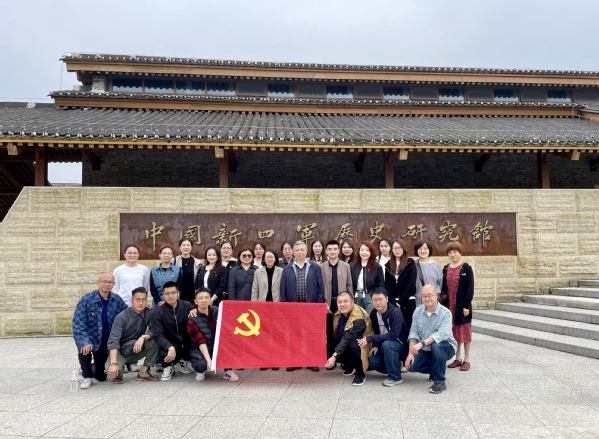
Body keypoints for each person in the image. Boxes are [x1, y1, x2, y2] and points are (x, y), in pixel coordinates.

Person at [72, 273, 128, 389]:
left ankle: (92, 368)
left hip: (104, 342)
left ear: (114, 284)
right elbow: (78, 323)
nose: (107, 284)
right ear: (98, 282)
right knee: (84, 349)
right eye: (104, 281)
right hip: (89, 338)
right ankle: (86, 375)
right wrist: (84, 341)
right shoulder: (87, 299)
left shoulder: (117, 300)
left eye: (110, 282)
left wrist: (143, 308)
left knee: (101, 376)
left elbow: (128, 313)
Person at [280, 241, 325, 372]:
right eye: (297, 250)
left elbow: (320, 287)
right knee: (294, 334)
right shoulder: (287, 268)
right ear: (293, 252)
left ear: (306, 252)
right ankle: (295, 361)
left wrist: (318, 306)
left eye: (302, 250)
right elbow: (283, 290)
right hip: (293, 306)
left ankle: (311, 361)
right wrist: (285, 307)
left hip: (310, 305)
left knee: (311, 334)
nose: (299, 252)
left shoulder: (314, 267)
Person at [405, 284, 457, 394]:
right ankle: (436, 369)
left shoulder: (445, 313)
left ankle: (440, 382)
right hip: (426, 349)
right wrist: (410, 354)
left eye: (429, 295)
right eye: (424, 296)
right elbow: (413, 333)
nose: (427, 298)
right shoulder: (418, 311)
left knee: (436, 346)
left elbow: (441, 335)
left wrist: (421, 343)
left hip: (446, 346)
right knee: (411, 366)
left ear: (436, 295)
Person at [106, 287, 159, 383]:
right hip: (121, 351)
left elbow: (154, 330)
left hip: (138, 347)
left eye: (143, 300)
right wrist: (113, 364)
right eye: (137, 300)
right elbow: (113, 341)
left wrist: (143, 337)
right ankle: (120, 369)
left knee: (156, 340)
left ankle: (144, 372)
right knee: (110, 370)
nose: (141, 303)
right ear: (131, 301)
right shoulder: (121, 317)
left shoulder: (149, 312)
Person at [358, 288, 409, 386]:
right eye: (374, 300)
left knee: (387, 344)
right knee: (373, 361)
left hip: (400, 345)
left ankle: (395, 377)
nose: (378, 302)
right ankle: (395, 366)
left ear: (386, 299)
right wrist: (376, 345)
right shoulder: (374, 313)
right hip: (384, 345)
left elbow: (393, 335)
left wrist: (370, 339)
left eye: (380, 299)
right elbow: (377, 331)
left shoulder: (395, 312)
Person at [113, 244, 149, 373]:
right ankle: (122, 361)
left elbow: (145, 288)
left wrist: (144, 302)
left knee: (137, 333)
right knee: (122, 334)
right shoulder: (118, 270)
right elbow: (115, 289)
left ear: (138, 254)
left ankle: (133, 362)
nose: (132, 255)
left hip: (138, 306)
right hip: (123, 306)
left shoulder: (143, 269)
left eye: (135, 253)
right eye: (129, 253)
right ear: (124, 254)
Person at [325, 291, 373, 386]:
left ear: (352, 302)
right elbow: (336, 320)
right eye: (339, 302)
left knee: (353, 344)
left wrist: (334, 357)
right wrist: (328, 313)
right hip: (346, 341)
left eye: (345, 301)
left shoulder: (359, 316)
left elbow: (348, 337)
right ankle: (350, 365)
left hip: (362, 344)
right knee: (328, 346)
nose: (342, 304)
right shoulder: (341, 312)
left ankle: (360, 374)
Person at [150, 281, 195, 380]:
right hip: (171, 344)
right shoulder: (159, 312)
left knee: (196, 352)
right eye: (167, 293)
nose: (170, 296)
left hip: (186, 343)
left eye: (173, 293)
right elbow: (158, 334)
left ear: (178, 293)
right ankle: (168, 366)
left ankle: (180, 360)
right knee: (164, 354)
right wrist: (169, 347)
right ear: (163, 295)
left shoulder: (187, 306)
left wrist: (195, 310)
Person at [442, 241, 474, 372]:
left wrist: (467, 306)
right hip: (450, 305)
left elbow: (470, 288)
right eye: (450, 252)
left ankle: (467, 360)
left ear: (460, 253)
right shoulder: (446, 268)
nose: (453, 254)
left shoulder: (466, 268)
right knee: (455, 332)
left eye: (455, 252)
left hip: (462, 306)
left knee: (465, 332)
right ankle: (458, 358)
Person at [320, 240, 353, 358]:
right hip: (328, 304)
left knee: (343, 331)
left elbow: (349, 285)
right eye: (330, 249)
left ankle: (344, 359)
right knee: (329, 332)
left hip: (343, 304)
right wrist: (323, 303)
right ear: (326, 251)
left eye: (335, 249)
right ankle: (330, 358)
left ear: (339, 250)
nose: (332, 251)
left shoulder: (346, 266)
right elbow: (320, 286)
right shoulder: (321, 267)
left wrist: (350, 303)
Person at [188, 287, 226, 381]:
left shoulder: (217, 311)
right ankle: (200, 371)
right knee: (201, 365)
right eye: (200, 298)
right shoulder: (192, 319)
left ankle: (228, 371)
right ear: (196, 301)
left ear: (210, 299)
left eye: (206, 298)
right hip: (200, 348)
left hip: (216, 346)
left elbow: (227, 329)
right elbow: (200, 341)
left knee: (229, 351)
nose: (204, 300)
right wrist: (209, 361)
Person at [384, 239, 417, 329]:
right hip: (393, 303)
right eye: (395, 248)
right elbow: (387, 285)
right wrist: (392, 302)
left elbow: (411, 284)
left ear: (404, 249)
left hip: (408, 301)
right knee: (396, 328)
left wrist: (401, 301)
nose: (397, 250)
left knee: (409, 327)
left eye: (399, 248)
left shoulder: (410, 263)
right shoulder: (388, 265)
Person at [350, 241, 384, 314]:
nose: (364, 252)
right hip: (356, 296)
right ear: (359, 251)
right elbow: (349, 283)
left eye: (367, 250)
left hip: (371, 296)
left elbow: (380, 284)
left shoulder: (377, 267)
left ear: (371, 252)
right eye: (362, 250)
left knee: (370, 317)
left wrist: (376, 296)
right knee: (358, 317)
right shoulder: (353, 266)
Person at [172, 238, 203, 304]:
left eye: (188, 245)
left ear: (191, 247)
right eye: (183, 245)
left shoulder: (197, 263)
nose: (186, 247)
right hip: (178, 296)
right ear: (180, 247)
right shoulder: (174, 261)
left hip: (192, 296)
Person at [414, 239, 443, 307]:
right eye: (420, 249)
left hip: (434, 301)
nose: (423, 251)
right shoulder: (412, 265)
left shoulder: (436, 265)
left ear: (429, 250)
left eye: (425, 248)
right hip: (418, 301)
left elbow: (440, 283)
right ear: (416, 250)